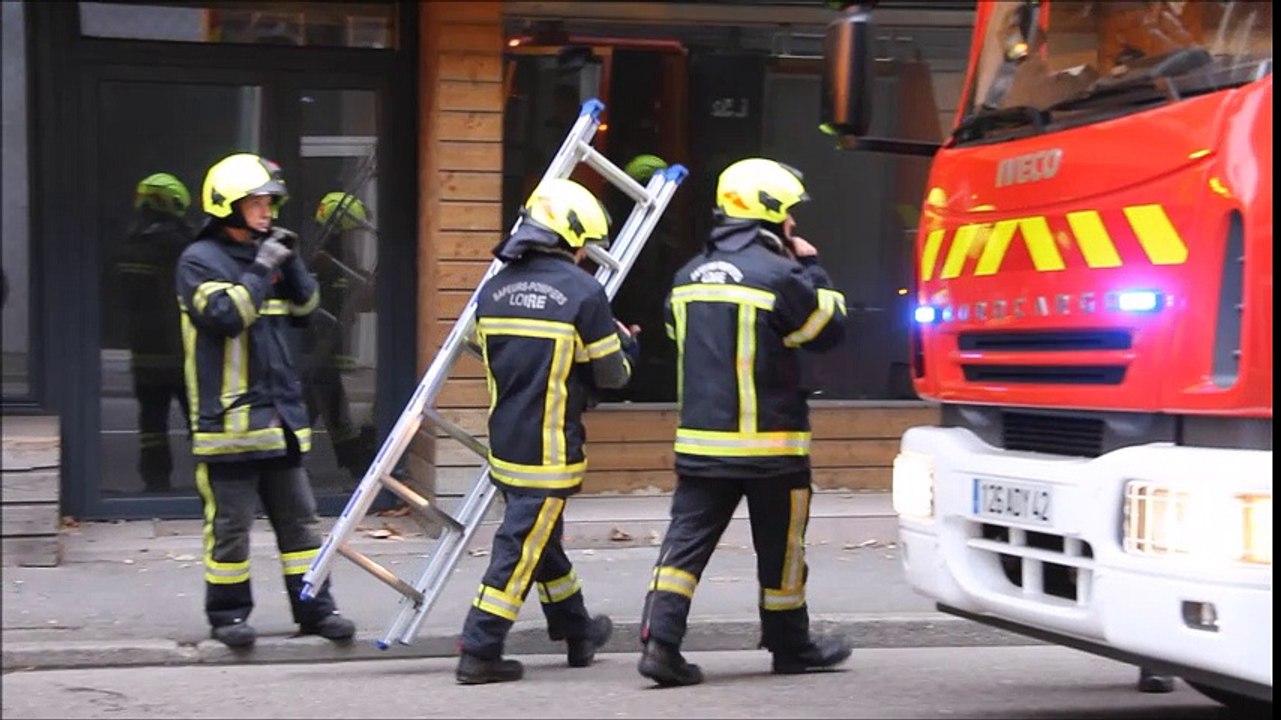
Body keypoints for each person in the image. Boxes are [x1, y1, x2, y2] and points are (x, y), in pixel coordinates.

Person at [637, 157, 852, 687]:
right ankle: (790, 646)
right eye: (791, 215)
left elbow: (674, 333)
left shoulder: (686, 276)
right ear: (771, 214)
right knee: (782, 553)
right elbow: (826, 330)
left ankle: (660, 644)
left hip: (700, 448)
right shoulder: (781, 274)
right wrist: (813, 268)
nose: (796, 226)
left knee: (684, 547)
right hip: (771, 449)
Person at [455, 177, 638, 684]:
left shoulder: (493, 289)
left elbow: (481, 346)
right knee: (519, 548)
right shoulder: (583, 290)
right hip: (551, 447)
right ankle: (479, 648)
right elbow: (613, 375)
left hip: (507, 444)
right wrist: (625, 343)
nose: (584, 256)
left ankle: (576, 629)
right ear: (566, 237)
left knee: (541, 540)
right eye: (583, 246)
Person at [175, 152, 356, 649]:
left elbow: (307, 309)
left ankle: (317, 611)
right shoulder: (198, 261)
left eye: (269, 202)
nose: (266, 211)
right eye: (256, 202)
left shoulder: (270, 254)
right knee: (230, 531)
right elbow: (226, 315)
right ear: (226, 205)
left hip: (280, 422)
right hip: (228, 425)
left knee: (301, 525)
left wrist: (292, 260)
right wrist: (262, 266)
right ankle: (229, 617)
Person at [115, 172, 194, 492]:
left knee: (152, 424)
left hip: (144, 353)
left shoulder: (130, 246)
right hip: (182, 352)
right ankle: (218, 483)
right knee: (202, 423)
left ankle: (156, 482)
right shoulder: (181, 246)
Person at [303, 191, 378, 480]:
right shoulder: (325, 256)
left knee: (331, 409)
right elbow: (350, 298)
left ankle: (355, 466)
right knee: (320, 406)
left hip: (325, 347)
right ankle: (355, 467)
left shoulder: (328, 254)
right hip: (321, 345)